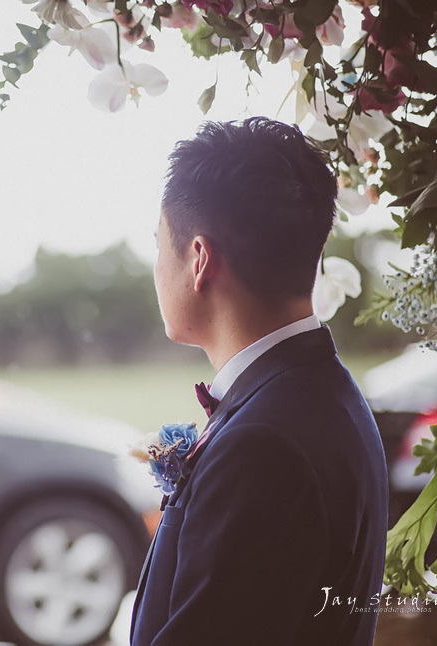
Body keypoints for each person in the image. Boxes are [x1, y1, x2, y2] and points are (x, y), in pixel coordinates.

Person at [131, 117, 389, 646]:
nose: (157, 267)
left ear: (198, 259)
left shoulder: (264, 445)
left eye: (159, 245)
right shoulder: (321, 393)